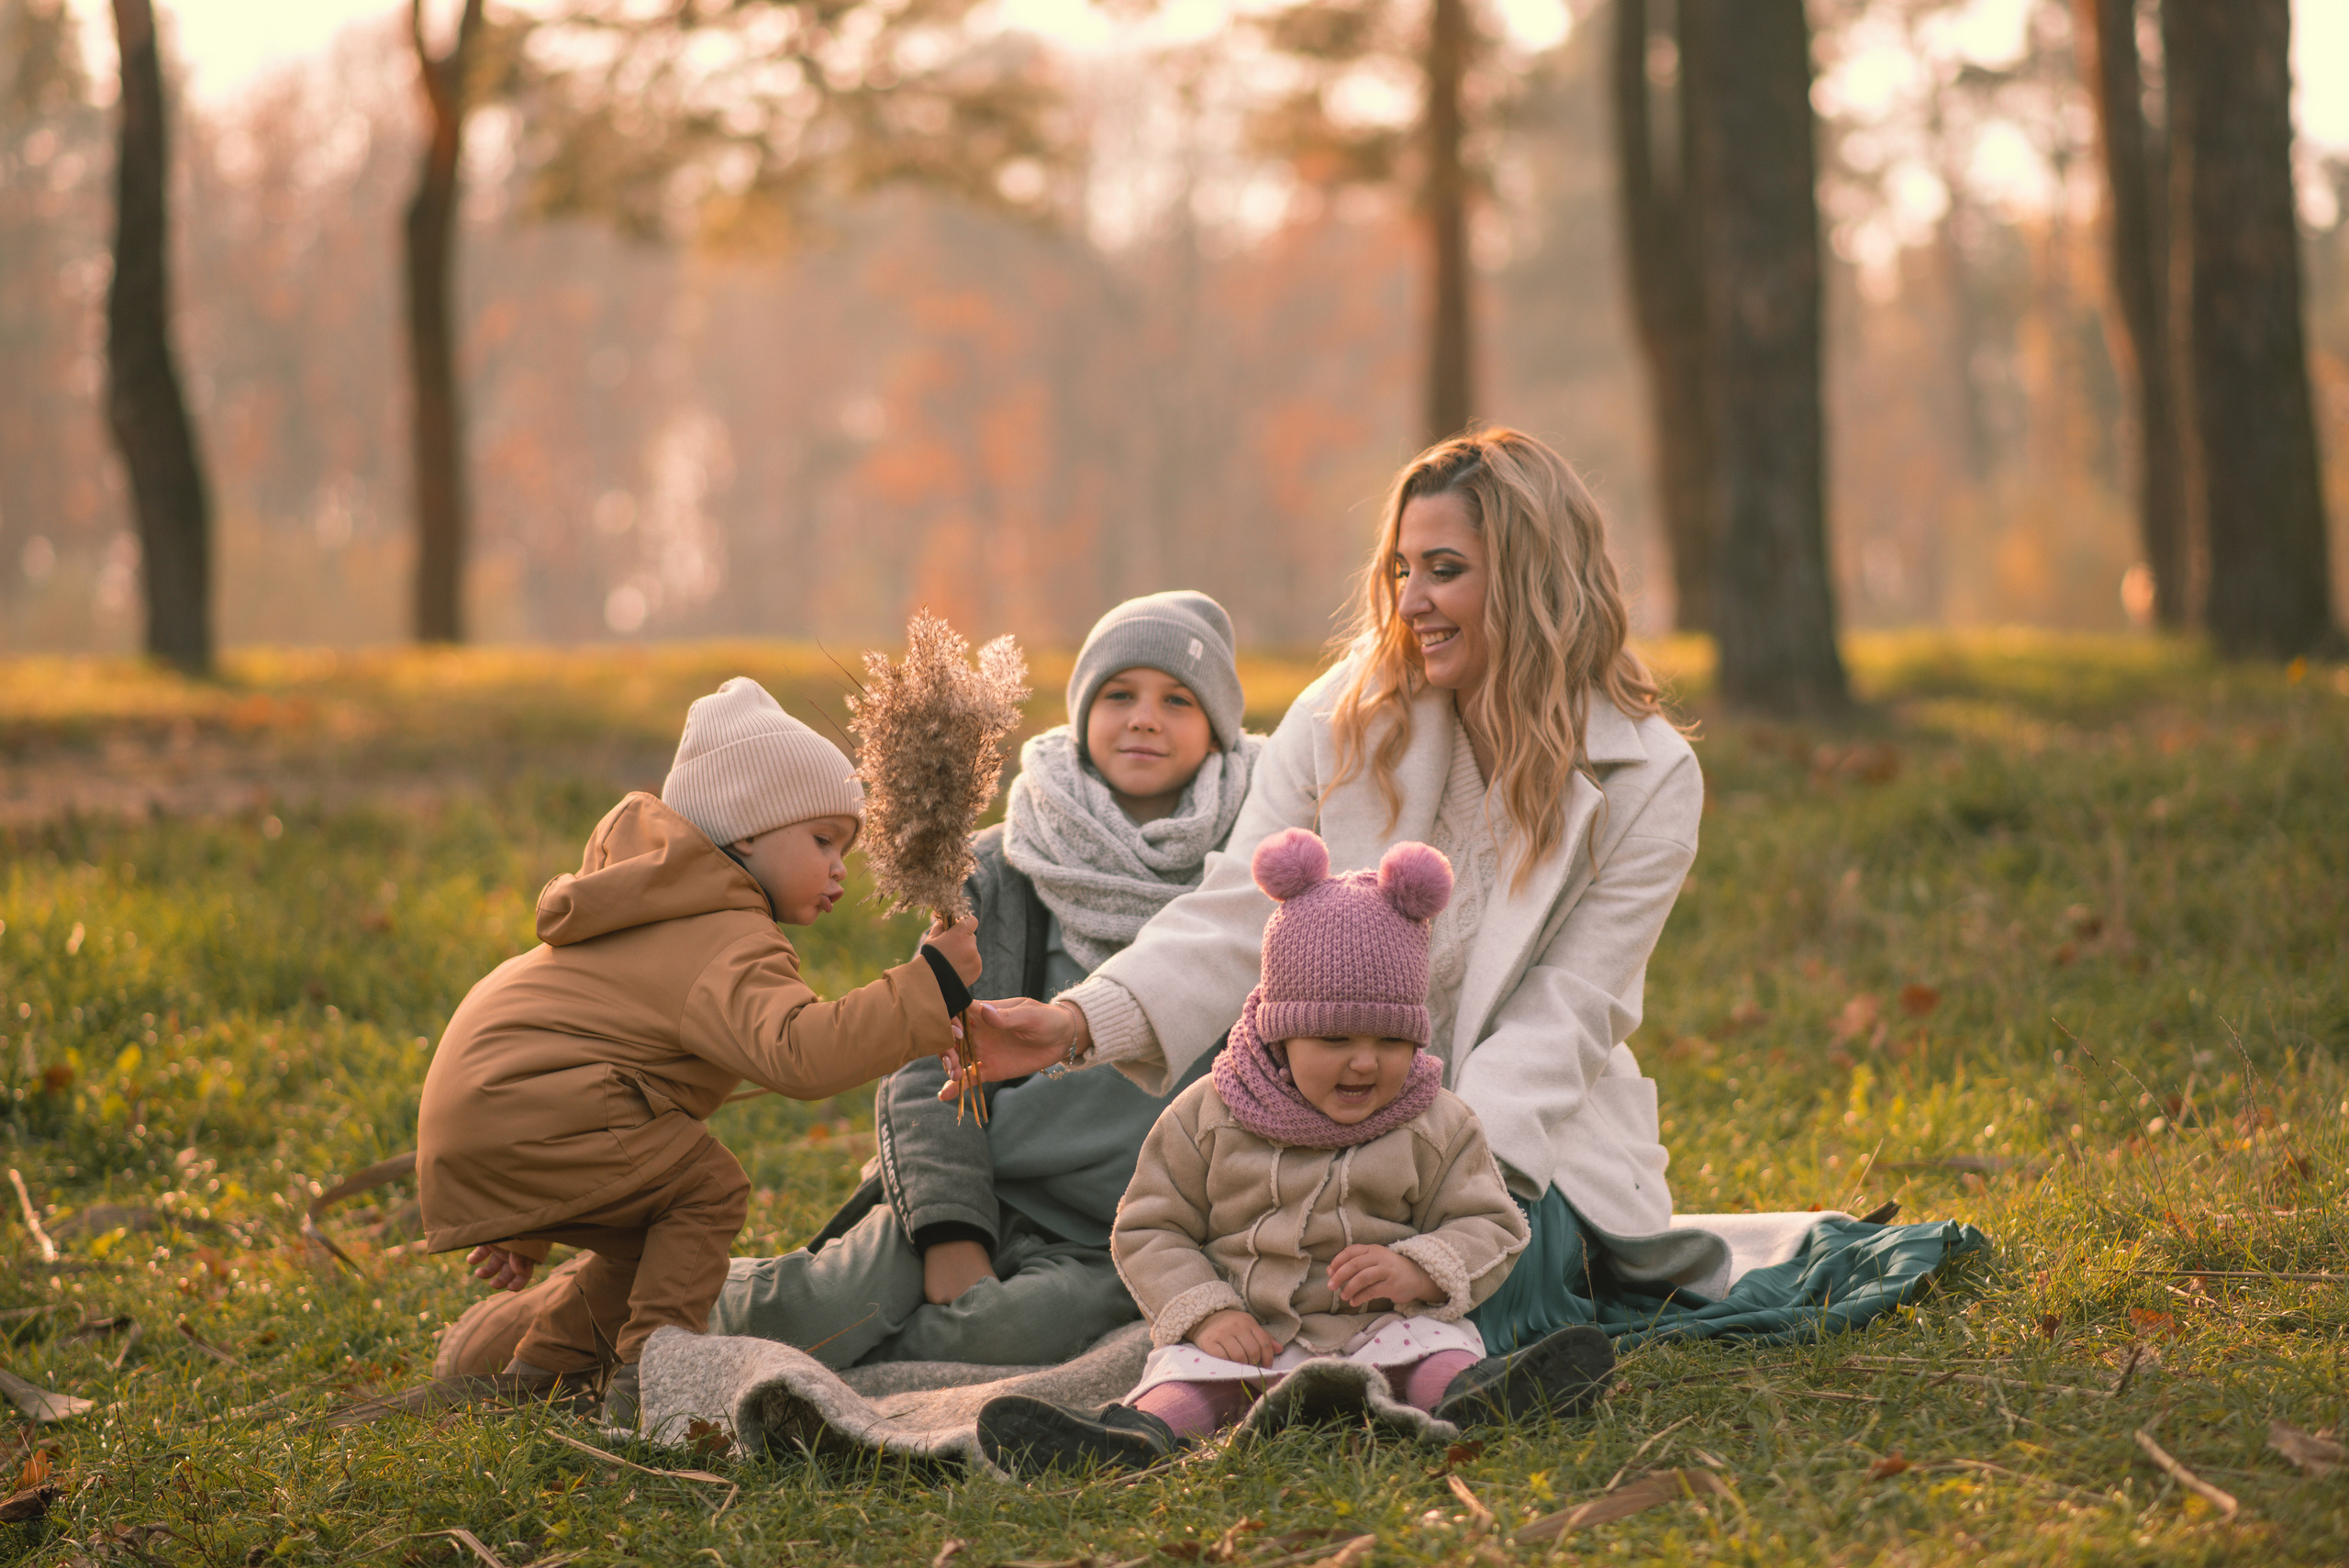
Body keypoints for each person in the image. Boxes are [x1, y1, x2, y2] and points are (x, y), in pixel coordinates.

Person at [986, 428, 1731, 1371]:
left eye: (1446, 569)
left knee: (1472, 1285)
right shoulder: (1344, 712)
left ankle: (1420, 1370)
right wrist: (1072, 1022)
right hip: (1321, 1116)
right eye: (1401, 568)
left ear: (1535, 577)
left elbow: (1570, 1009)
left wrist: (1432, 1181)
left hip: (1506, 1143)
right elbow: (1239, 912)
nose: (1411, 600)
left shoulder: (1650, 775)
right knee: (1260, 1278)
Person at [417, 676, 998, 1428]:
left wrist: (525, 1215)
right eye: (822, 840)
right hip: (535, 1101)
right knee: (706, 1190)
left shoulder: (655, 898)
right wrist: (932, 983)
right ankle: (653, 1385)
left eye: (845, 848)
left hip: (491, 1100)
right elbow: (800, 1053)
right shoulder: (723, 929)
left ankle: (544, 1381)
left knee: (650, 1239)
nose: (839, 869)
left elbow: (582, 1033)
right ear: (748, 830)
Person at [703, 592, 1264, 1366]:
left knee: (1012, 1331)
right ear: (1080, 711)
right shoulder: (1004, 869)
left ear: (1219, 729)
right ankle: (618, 1313)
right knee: (823, 1302)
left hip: (1123, 1226)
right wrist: (952, 1229)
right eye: (1118, 693)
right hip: (980, 1183)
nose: (1144, 717)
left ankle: (861, 1375)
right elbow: (921, 1060)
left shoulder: (1247, 884)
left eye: (1178, 699)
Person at [977, 830, 1610, 1476]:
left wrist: (1421, 1268)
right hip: (1248, 1333)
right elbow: (1150, 1225)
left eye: (1391, 1039)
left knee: (1435, 1356)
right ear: (1281, 1031)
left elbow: (1493, 1222)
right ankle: (1128, 1439)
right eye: (1334, 1036)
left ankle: (1485, 1398)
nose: (1365, 1061)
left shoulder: (1434, 1120)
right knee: (1191, 1385)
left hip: (1383, 1326)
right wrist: (1207, 1309)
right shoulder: (1211, 1113)